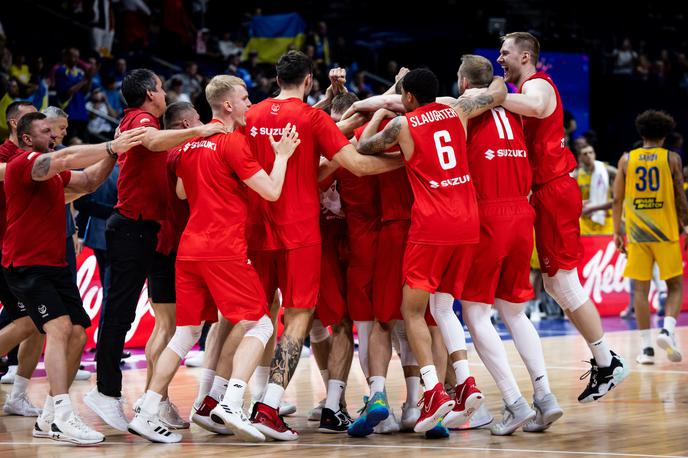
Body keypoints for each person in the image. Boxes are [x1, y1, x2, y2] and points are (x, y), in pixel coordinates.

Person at [127, 75, 300, 443]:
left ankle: (146, 408)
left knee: (186, 333)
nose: (250, 104)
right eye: (245, 98)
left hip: (189, 251)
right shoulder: (231, 142)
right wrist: (282, 156)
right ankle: (233, 401)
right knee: (261, 325)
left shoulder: (187, 147)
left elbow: (181, 190)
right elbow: (270, 191)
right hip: (223, 248)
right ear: (227, 106)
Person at [245, 51, 403, 441]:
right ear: (309, 80)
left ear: (275, 78)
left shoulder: (251, 116)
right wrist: (411, 160)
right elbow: (361, 164)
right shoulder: (313, 119)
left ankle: (225, 399)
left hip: (257, 228)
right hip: (300, 231)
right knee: (300, 319)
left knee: (261, 318)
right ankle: (270, 406)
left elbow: (315, 122)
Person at [356, 67, 506, 433]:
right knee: (443, 307)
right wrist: (501, 75)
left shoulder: (403, 127)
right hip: (468, 221)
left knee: (412, 312)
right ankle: (466, 382)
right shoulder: (458, 109)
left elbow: (363, 147)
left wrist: (381, 117)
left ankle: (433, 392)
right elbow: (498, 93)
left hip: (432, 224)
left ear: (408, 98)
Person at [85, 68, 226, 433]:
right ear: (150, 93)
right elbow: (151, 141)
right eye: (161, 88)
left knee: (148, 321)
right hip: (144, 232)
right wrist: (203, 130)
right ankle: (116, 394)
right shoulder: (146, 122)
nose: (164, 93)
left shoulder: (143, 127)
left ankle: (150, 400)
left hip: (149, 234)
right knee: (133, 318)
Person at [498, 32, 629, 402]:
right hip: (544, 193)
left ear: (525, 57)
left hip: (554, 190)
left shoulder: (539, 85)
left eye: (505, 53)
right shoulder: (523, 90)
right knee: (555, 285)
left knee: (565, 283)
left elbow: (538, 107)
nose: (499, 59)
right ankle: (604, 360)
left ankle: (607, 361)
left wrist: (495, 96)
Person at [3, 112, 145, 444]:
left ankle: (49, 415)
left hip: (55, 265)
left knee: (78, 335)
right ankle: (63, 415)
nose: (54, 135)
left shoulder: (54, 174)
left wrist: (113, 154)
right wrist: (111, 143)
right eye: (46, 131)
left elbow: (89, 182)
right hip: (25, 265)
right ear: (27, 138)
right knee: (58, 328)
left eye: (55, 131)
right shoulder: (26, 164)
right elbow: (65, 156)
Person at [454, 55, 562, 435]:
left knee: (476, 314)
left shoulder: (463, 109)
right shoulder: (512, 110)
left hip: (488, 214)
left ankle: (514, 403)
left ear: (464, 84)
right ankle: (545, 396)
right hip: (522, 212)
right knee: (515, 313)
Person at [136, 101, 200, 429]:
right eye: (197, 121)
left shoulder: (163, 152)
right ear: (185, 123)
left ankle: (154, 396)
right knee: (169, 328)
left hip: (160, 242)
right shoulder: (180, 152)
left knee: (166, 326)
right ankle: (156, 399)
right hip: (171, 245)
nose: (201, 125)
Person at [612, 110, 686, 365]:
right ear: (664, 135)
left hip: (637, 233)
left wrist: (616, 231)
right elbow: (680, 196)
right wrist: (686, 223)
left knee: (640, 290)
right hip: (665, 232)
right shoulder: (672, 159)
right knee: (675, 285)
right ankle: (667, 329)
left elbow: (617, 199)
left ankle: (646, 349)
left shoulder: (626, 160)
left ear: (641, 133)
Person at [0, 101, 45, 417]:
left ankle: (17, 395)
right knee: (30, 321)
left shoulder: (36, 156)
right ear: (16, 124)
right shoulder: (6, 157)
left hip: (29, 253)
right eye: (33, 118)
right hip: (7, 253)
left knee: (41, 324)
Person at [577, 144, 615, 235]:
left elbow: (624, 176)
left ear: (594, 154)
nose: (588, 155)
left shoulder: (606, 170)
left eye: (590, 152)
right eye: (585, 154)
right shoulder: (576, 175)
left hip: (606, 220)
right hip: (586, 222)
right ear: (580, 157)